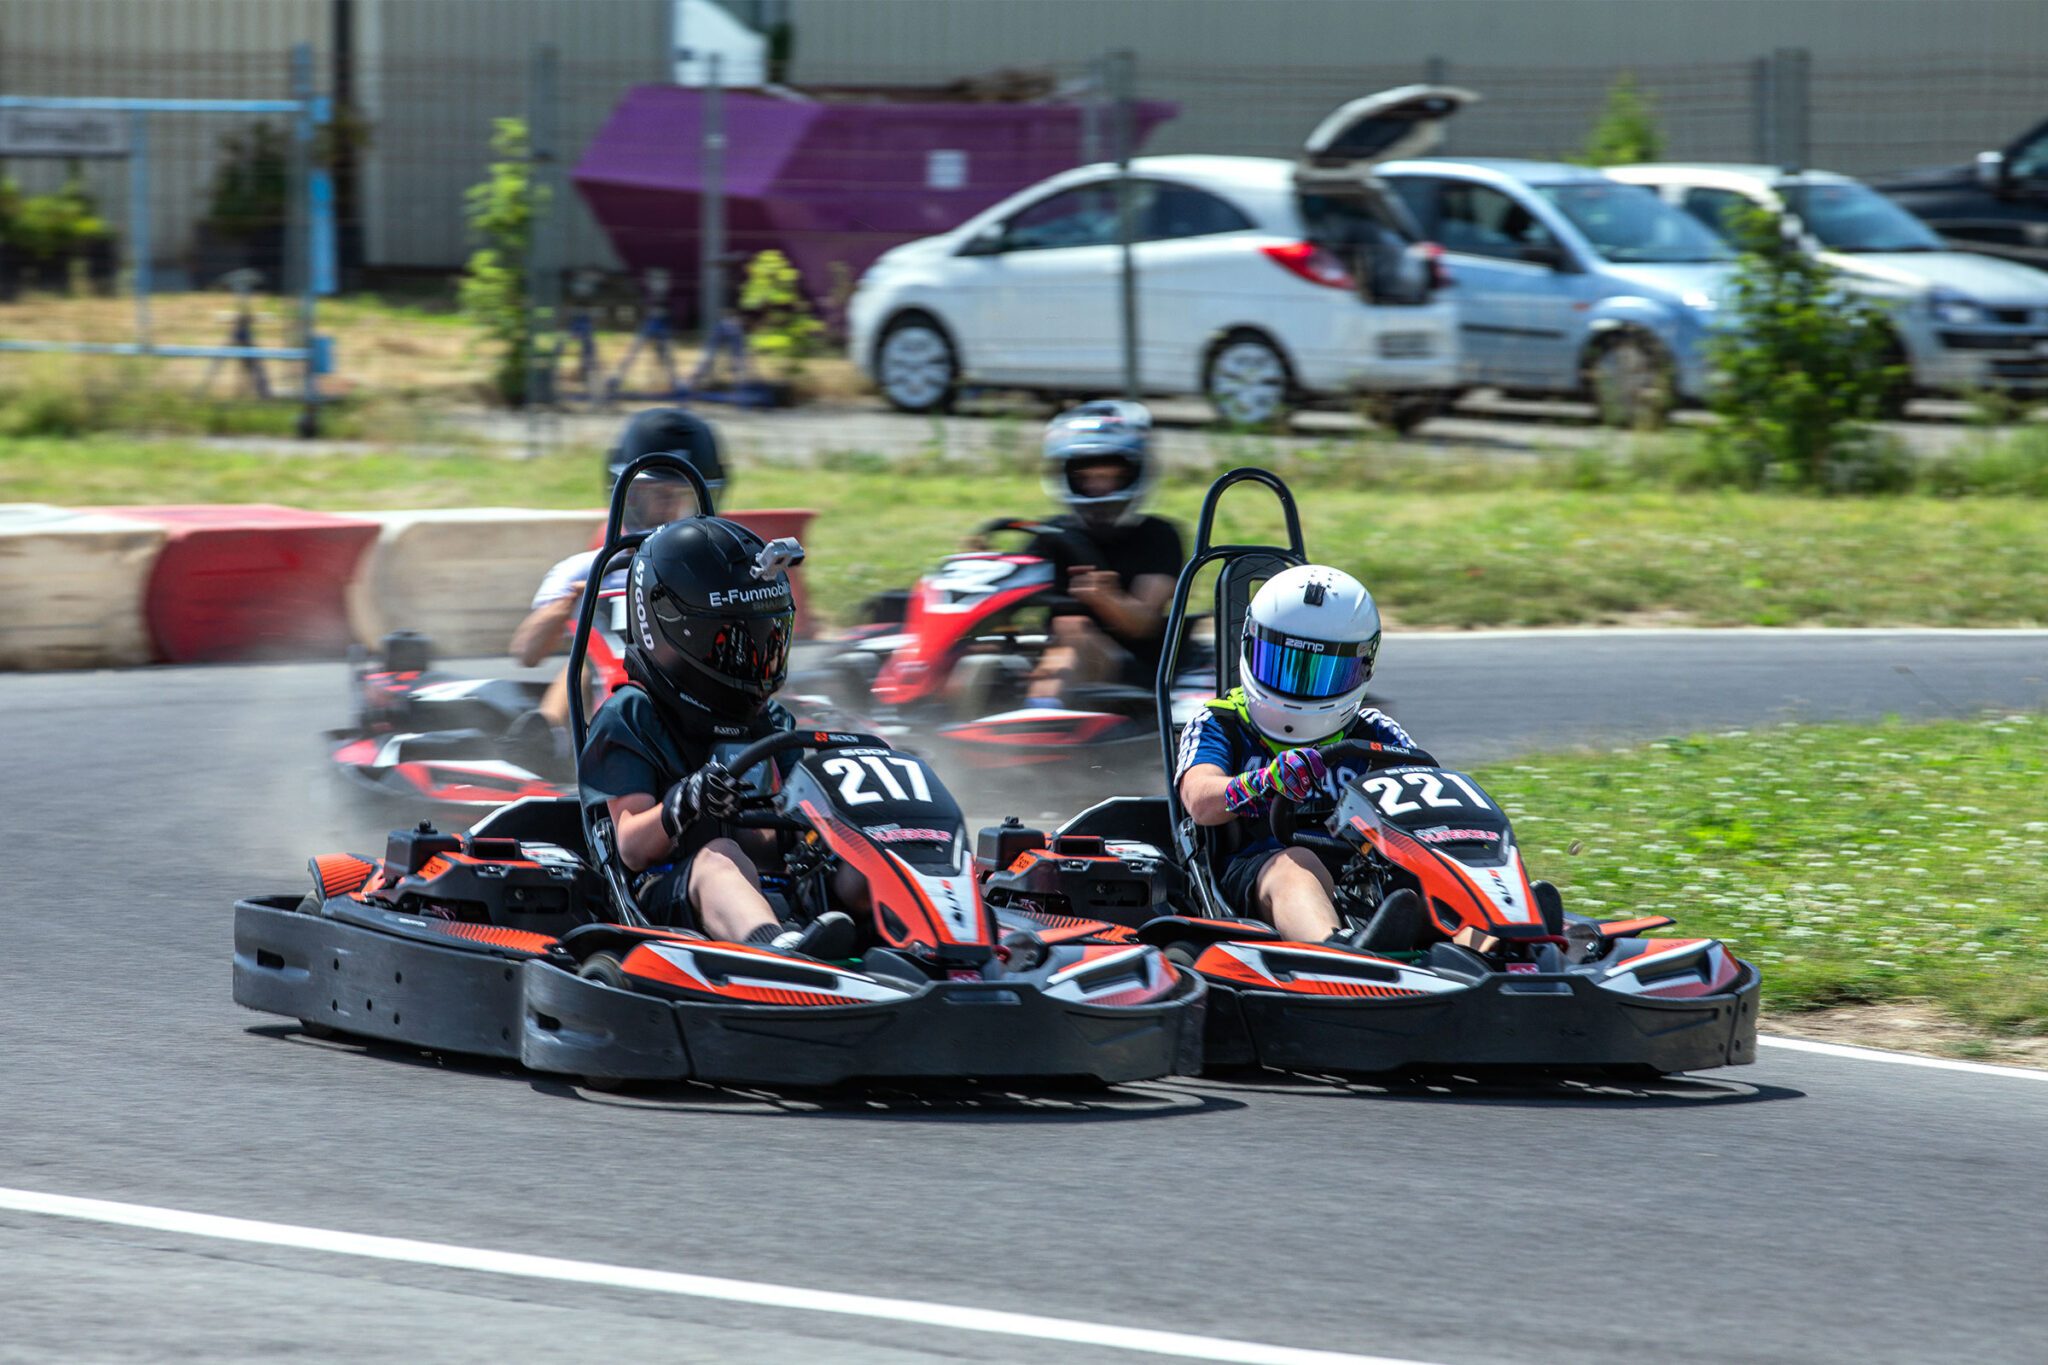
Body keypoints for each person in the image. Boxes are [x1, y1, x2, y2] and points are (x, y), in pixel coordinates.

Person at [578, 513, 857, 957]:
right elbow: (631, 848)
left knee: (854, 860)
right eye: (738, 644)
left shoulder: (771, 722)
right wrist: (687, 803)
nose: (756, 660)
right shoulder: (630, 715)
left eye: (769, 641)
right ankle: (783, 955)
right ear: (676, 633)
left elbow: (784, 835)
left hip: (773, 884)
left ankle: (940, 942)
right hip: (667, 900)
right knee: (720, 853)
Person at [1174, 564, 1422, 946]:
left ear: (1363, 666)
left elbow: (1427, 798)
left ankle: (1495, 945)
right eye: (1283, 665)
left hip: (1364, 874)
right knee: (1299, 862)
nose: (1300, 688)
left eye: (1323, 673)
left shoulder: (1375, 732)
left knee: (1433, 865)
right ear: (1251, 646)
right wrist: (1266, 781)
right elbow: (1200, 799)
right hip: (1257, 874)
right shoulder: (1221, 723)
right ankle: (1339, 952)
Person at [505, 409, 727, 763]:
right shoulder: (587, 571)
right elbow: (526, 653)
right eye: (658, 492)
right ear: (631, 495)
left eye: (681, 494)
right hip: (615, 733)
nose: (669, 506)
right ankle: (551, 740)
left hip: (706, 725)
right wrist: (574, 599)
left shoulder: (722, 571)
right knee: (584, 664)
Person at [1019, 402, 1184, 706]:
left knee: (1074, 629)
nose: (1098, 488)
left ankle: (1040, 720)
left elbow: (1143, 623)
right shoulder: (1049, 535)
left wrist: (1107, 599)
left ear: (1133, 477)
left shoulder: (1159, 536)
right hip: (1050, 658)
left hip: (1133, 670)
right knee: (979, 653)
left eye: (1108, 478)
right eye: (1087, 479)